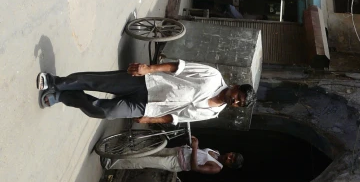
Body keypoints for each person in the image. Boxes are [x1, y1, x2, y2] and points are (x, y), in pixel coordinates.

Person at [37, 60, 253, 123]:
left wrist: (151, 120)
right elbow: (179, 68)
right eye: (238, 97)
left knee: (104, 112)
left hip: (148, 107)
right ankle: (55, 82)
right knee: (99, 82)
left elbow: (178, 118)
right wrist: (148, 69)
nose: (235, 102)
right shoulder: (213, 76)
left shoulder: (213, 113)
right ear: (235, 87)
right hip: (149, 83)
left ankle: (62, 96)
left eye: (238, 104)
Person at [103, 136, 243, 173]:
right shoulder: (216, 153)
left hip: (176, 163)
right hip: (178, 151)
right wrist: (195, 144)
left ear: (229, 165)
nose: (229, 157)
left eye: (231, 160)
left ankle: (111, 163)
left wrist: (194, 149)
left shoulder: (217, 167)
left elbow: (195, 168)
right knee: (145, 151)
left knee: (145, 161)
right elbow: (200, 154)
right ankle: (113, 153)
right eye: (232, 155)